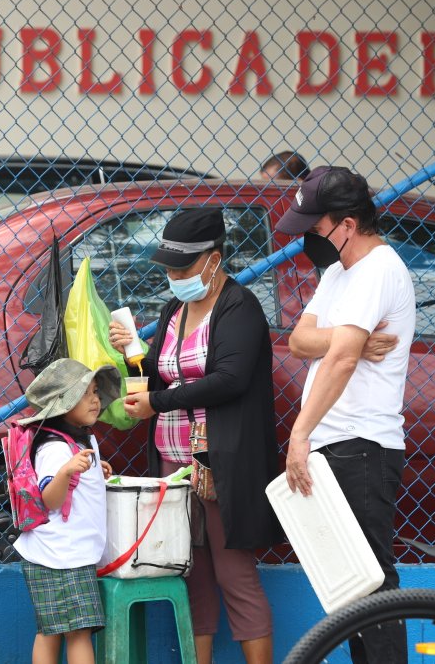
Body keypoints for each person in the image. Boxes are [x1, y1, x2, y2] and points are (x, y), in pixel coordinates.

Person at [109, 207, 279, 664]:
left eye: (182, 267)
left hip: (219, 463)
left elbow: (230, 379)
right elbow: (159, 376)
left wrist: (156, 403)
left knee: (234, 574)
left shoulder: (239, 306)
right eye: (168, 267)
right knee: (192, 572)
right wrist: (130, 352)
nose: (173, 275)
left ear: (213, 259)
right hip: (173, 462)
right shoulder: (176, 308)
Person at [277, 166, 416, 663]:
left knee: (372, 588)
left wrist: (299, 434)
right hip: (338, 445)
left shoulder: (378, 269)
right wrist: (349, 338)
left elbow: (336, 358)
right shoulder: (339, 272)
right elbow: (299, 341)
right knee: (352, 594)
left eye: (316, 227)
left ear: (348, 224)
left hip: (362, 446)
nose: (309, 237)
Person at [12, 358, 120, 664]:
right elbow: (50, 499)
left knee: (52, 630)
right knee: (77, 633)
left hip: (61, 553)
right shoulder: (54, 448)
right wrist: (64, 473)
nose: (96, 399)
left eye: (96, 391)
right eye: (85, 394)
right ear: (63, 405)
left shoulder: (80, 440)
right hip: (61, 556)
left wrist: (94, 473)